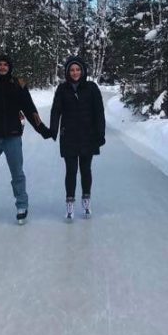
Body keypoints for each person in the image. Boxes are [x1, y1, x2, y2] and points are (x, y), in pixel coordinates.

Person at [0, 54, 51, 225]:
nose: (3, 67)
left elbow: (30, 109)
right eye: (0, 64)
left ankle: (22, 205)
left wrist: (41, 128)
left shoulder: (18, 85)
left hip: (13, 137)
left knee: (17, 174)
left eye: (6, 64)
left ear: (10, 67)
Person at [49, 55, 105, 221]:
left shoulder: (92, 88)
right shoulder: (62, 89)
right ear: (67, 72)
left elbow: (99, 113)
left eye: (78, 69)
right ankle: (70, 203)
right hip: (69, 137)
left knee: (86, 169)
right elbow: (55, 111)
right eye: (72, 70)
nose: (75, 73)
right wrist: (53, 130)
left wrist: (100, 134)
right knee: (71, 170)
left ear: (83, 71)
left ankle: (86, 201)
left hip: (88, 136)